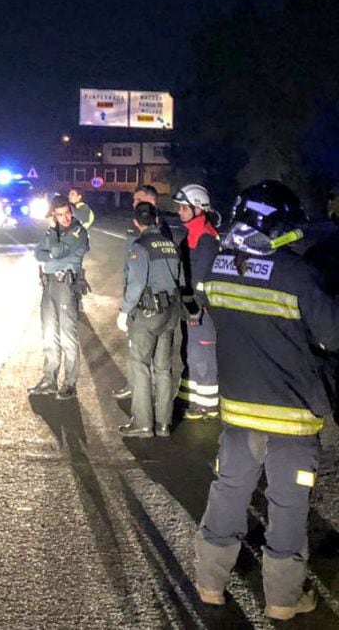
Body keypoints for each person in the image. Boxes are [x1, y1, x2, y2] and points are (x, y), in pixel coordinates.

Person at [194, 180, 339, 620]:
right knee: (288, 506)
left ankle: (209, 583)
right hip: (292, 419)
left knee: (228, 494)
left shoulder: (217, 270)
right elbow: (332, 335)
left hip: (238, 414)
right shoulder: (297, 274)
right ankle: (282, 598)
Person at [118, 200, 181, 437]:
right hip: (170, 313)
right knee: (164, 369)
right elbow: (180, 280)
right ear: (156, 219)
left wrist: (124, 311)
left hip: (148, 314)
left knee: (139, 365)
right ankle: (164, 423)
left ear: (136, 222)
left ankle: (143, 423)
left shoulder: (139, 246)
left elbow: (136, 284)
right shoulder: (170, 245)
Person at [112, 184, 175, 401]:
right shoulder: (137, 226)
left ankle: (146, 399)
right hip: (137, 295)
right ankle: (135, 386)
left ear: (151, 202)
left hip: (148, 302)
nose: (134, 203)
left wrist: (129, 304)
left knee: (148, 355)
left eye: (137, 200)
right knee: (135, 347)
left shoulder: (158, 229)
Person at [29, 195, 90, 400]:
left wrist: (53, 248)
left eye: (67, 213)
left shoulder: (78, 231)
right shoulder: (52, 231)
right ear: (53, 216)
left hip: (66, 285)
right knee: (49, 334)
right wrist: (53, 254)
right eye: (59, 215)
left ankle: (70, 383)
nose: (65, 218)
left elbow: (58, 250)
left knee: (67, 336)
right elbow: (38, 253)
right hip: (48, 284)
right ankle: (49, 379)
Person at [173, 184, 220, 420]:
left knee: (204, 356)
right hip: (193, 307)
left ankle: (209, 406)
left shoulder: (207, 238)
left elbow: (202, 277)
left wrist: (196, 307)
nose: (180, 212)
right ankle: (199, 402)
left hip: (203, 310)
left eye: (184, 207)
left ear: (198, 208)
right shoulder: (193, 234)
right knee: (194, 355)